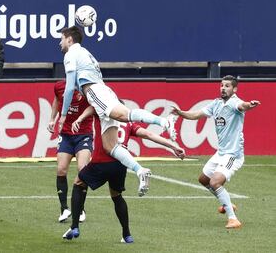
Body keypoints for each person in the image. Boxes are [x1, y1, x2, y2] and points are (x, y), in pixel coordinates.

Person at [58, 26, 177, 196]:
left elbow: (69, 88)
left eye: (62, 38)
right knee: (110, 146)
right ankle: (140, 170)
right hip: (102, 90)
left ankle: (164, 121)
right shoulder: (86, 53)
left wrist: (63, 116)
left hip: (95, 92)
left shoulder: (71, 54)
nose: (60, 42)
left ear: (70, 39)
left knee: (124, 115)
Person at [63, 109, 186, 242]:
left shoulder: (102, 114)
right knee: (117, 196)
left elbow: (92, 106)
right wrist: (173, 146)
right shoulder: (128, 123)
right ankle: (127, 235)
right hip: (120, 165)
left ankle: (75, 226)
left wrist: (80, 118)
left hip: (101, 162)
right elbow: (149, 134)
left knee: (79, 182)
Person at [171, 75, 260, 229]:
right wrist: (181, 113)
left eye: (227, 86)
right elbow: (197, 115)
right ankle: (227, 204)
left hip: (233, 154)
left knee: (215, 182)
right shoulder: (216, 104)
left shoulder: (234, 103)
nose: (223, 88)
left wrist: (250, 104)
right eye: (221, 85)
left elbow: (243, 106)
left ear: (234, 89)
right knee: (204, 180)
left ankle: (233, 219)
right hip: (221, 153)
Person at [48, 80, 93, 222]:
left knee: (82, 169)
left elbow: (93, 106)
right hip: (66, 135)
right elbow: (56, 100)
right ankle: (64, 209)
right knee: (61, 169)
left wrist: (80, 119)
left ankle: (80, 209)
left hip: (84, 135)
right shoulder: (60, 86)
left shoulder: (87, 88)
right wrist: (52, 119)